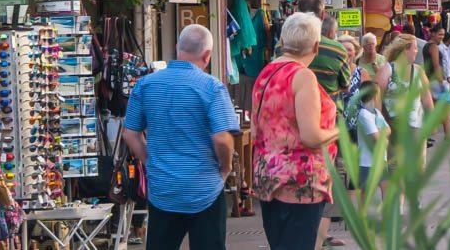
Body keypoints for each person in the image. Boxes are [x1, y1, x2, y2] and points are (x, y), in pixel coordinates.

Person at [122, 25, 239, 250]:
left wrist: (149, 161)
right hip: (205, 188)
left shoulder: (146, 85)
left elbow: (130, 133)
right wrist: (225, 168)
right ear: (207, 56)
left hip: (163, 188)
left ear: (177, 48)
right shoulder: (212, 88)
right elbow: (222, 139)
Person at [251, 13, 340, 250]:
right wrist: (335, 132)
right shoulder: (303, 77)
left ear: (282, 42)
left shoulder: (266, 73)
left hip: (268, 176)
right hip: (300, 181)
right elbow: (310, 136)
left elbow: (255, 128)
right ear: (317, 45)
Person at [297, 0, 349, 248]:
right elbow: (346, 84)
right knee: (331, 174)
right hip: (328, 124)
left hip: (293, 122)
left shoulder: (283, 47)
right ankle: (320, 235)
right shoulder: (336, 49)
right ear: (322, 14)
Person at [377, 34, 436, 152]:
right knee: (396, 166)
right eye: (414, 48)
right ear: (405, 49)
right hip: (393, 129)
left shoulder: (419, 71)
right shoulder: (387, 70)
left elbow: (427, 101)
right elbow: (377, 100)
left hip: (416, 129)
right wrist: (380, 126)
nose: (417, 51)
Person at [354, 81, 389, 196]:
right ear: (375, 96)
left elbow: (388, 130)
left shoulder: (377, 113)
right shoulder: (364, 115)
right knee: (366, 194)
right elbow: (378, 139)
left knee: (386, 188)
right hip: (367, 163)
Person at [422, 25, 450, 140]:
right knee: (444, 108)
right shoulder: (433, 46)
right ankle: (447, 135)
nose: (442, 37)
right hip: (436, 81)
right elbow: (436, 65)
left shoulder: (426, 46)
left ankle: (428, 134)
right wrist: (441, 81)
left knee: (431, 109)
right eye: (439, 34)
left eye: (443, 35)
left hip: (429, 80)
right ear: (432, 33)